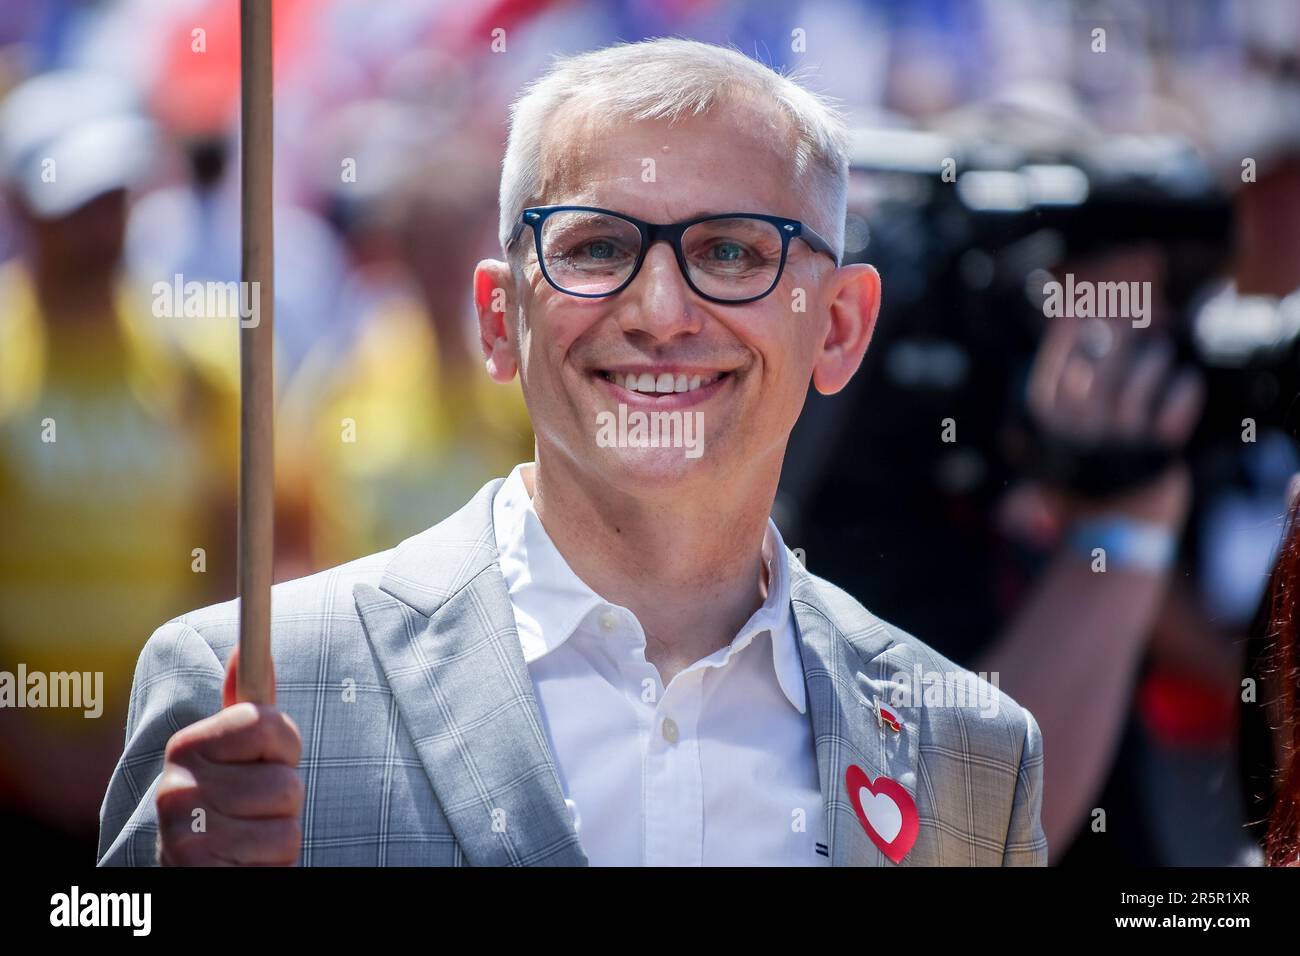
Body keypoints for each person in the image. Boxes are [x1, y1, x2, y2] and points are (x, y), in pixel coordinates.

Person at [98, 38, 1046, 867]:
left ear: (840, 326)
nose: (662, 313)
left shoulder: (968, 750)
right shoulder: (247, 698)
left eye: (731, 252)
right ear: (499, 320)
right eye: (595, 248)